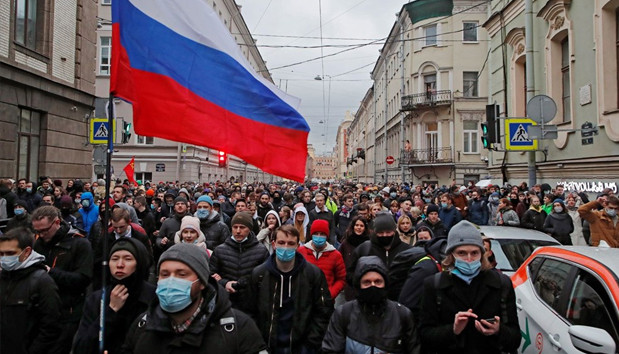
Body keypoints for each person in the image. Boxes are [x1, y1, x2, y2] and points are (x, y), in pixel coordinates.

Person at [120, 243, 267, 353]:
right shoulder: (143, 325)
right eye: (165, 274)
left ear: (202, 282)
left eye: (181, 274)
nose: (171, 281)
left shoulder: (237, 328)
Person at [419, 220, 521, 354]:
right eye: (462, 253)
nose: (469, 259)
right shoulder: (434, 285)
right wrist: (453, 330)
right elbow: (424, 335)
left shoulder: (501, 284)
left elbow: (515, 338)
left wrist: (498, 330)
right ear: (452, 255)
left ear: (482, 253)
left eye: (474, 253)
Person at [248, 224, 333, 354]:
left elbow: (323, 312)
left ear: (298, 246)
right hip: (268, 346)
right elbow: (250, 312)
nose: (286, 247)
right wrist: (259, 346)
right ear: (274, 244)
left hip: (302, 347)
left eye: (291, 243)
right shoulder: (259, 274)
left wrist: (310, 345)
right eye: (281, 242)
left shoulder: (313, 274)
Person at [73, 238, 156, 354]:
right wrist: (110, 311)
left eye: (128, 259)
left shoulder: (153, 297)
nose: (120, 265)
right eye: (114, 259)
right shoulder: (97, 299)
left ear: (139, 263)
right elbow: (81, 346)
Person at [322, 256, 418, 354]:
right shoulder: (344, 313)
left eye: (378, 282)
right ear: (358, 285)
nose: (373, 286)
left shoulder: (402, 314)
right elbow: (331, 349)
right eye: (367, 282)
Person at [31, 205, 93, 353]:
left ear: (57, 223)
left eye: (45, 230)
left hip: (68, 312)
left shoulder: (79, 243)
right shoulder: (38, 243)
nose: (41, 235)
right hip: (42, 311)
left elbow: (83, 279)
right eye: (37, 231)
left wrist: (50, 272)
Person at [0, 227, 63, 354]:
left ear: (27, 252)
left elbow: (50, 327)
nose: (4, 258)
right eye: (1, 254)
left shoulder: (42, 282)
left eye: (10, 253)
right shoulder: (3, 278)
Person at [209, 211, 269, 314]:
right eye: (235, 227)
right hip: (226, 304)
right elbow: (211, 276)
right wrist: (224, 283)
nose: (238, 231)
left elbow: (265, 278)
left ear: (249, 229)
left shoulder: (261, 251)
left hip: (252, 306)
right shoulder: (220, 250)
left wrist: (245, 283)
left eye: (242, 227)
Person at [346, 212, 412, 296]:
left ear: (394, 231)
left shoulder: (406, 250)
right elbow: (350, 274)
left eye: (388, 232)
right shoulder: (364, 249)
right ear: (375, 232)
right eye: (380, 233)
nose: (385, 235)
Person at [299, 219, 347, 301]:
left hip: (325, 303)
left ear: (327, 236)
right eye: (316, 234)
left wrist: (330, 294)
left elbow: (341, 279)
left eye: (322, 234)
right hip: (303, 300)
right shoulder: (301, 251)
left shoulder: (335, 255)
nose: (318, 236)